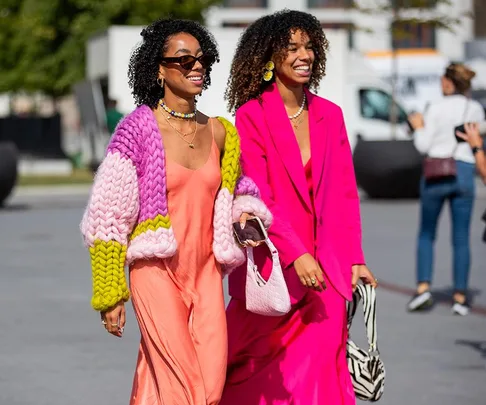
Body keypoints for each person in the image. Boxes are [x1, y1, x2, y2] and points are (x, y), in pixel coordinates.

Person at [80, 18, 272, 405]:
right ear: (159, 69)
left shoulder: (221, 131)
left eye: (201, 59)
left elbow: (240, 190)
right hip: (155, 272)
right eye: (184, 61)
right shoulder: (139, 129)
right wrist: (110, 293)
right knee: (181, 385)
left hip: (206, 274)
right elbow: (107, 215)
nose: (197, 67)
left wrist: (246, 216)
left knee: (210, 383)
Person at [220, 10, 377, 405]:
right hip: (274, 271)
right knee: (259, 378)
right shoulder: (251, 115)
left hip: (328, 272)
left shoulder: (331, 115)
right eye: (292, 48)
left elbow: (344, 193)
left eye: (309, 46)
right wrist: (297, 254)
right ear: (270, 58)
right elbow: (259, 195)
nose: (304, 54)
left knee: (320, 374)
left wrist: (354, 257)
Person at [408, 63, 485, 315]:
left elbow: (423, 145)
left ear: (449, 83)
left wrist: (418, 126)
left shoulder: (435, 107)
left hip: (435, 173)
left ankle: (422, 290)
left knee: (426, 233)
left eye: (442, 80)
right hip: (463, 171)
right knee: (461, 237)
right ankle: (460, 298)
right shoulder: (474, 108)